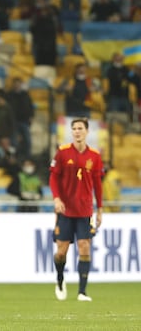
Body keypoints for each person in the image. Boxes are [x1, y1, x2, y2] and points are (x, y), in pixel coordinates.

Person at [49, 118, 103, 302]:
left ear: (87, 131)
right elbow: (53, 178)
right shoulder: (63, 153)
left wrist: (100, 209)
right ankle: (60, 278)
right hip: (65, 210)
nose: (77, 131)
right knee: (61, 251)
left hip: (85, 209)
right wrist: (56, 198)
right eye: (74, 128)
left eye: (80, 128)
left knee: (84, 246)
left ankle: (82, 291)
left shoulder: (95, 156)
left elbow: (98, 184)